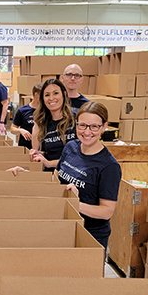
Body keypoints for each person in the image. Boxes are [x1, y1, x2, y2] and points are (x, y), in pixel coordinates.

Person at [57, 102, 121, 249]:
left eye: (94, 127)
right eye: (83, 125)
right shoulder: (70, 147)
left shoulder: (109, 166)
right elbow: (58, 177)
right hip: (66, 225)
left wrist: (74, 204)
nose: (87, 132)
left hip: (91, 234)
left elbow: (106, 211)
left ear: (104, 127)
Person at [30, 78, 76, 172]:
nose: (51, 98)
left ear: (63, 94)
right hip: (50, 175)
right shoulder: (41, 122)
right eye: (47, 95)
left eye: (55, 93)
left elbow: (80, 157)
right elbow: (41, 151)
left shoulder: (76, 119)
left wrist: (49, 163)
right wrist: (38, 154)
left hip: (72, 175)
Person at [10, 83, 42, 149]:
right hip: (25, 146)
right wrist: (20, 130)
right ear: (36, 95)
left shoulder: (46, 110)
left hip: (42, 147)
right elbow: (12, 129)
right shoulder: (22, 110)